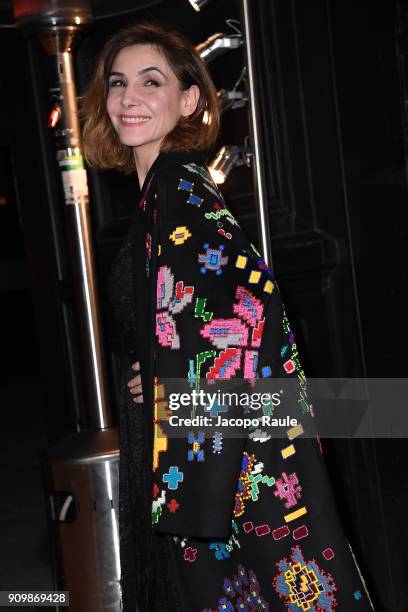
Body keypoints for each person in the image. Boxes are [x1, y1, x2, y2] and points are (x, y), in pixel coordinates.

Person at [81, 21, 374, 612]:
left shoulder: (178, 190)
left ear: (188, 99)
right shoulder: (166, 192)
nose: (128, 98)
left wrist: (175, 395)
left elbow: (247, 304)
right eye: (117, 83)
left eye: (150, 81)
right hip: (216, 447)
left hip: (224, 462)